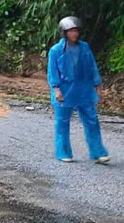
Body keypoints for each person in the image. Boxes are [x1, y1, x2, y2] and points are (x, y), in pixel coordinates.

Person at [47, 16, 110, 164]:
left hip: (83, 89)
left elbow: (92, 66)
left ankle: (98, 153)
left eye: (76, 31)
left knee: (92, 120)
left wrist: (97, 85)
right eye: (70, 31)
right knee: (62, 122)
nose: (74, 34)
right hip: (64, 89)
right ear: (64, 32)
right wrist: (56, 90)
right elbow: (52, 72)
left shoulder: (84, 47)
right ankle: (63, 152)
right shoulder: (56, 51)